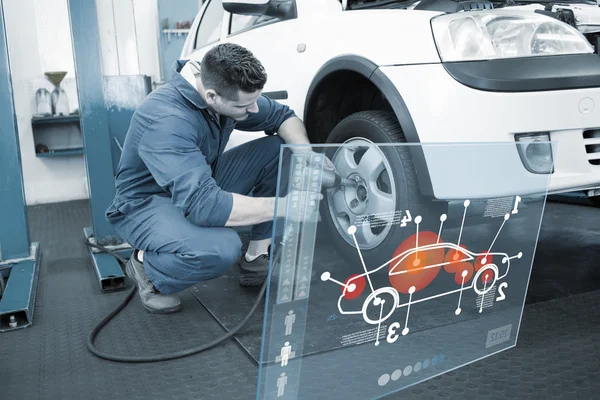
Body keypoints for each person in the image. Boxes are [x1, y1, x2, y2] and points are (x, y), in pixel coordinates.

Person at [105, 43, 328, 314]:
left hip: (198, 183)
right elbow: (205, 206)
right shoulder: (167, 119)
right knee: (222, 248)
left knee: (281, 149)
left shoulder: (221, 92)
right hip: (147, 203)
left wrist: (307, 156)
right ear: (211, 97)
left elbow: (283, 116)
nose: (255, 110)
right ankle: (147, 266)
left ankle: (257, 256)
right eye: (245, 106)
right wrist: (288, 206)